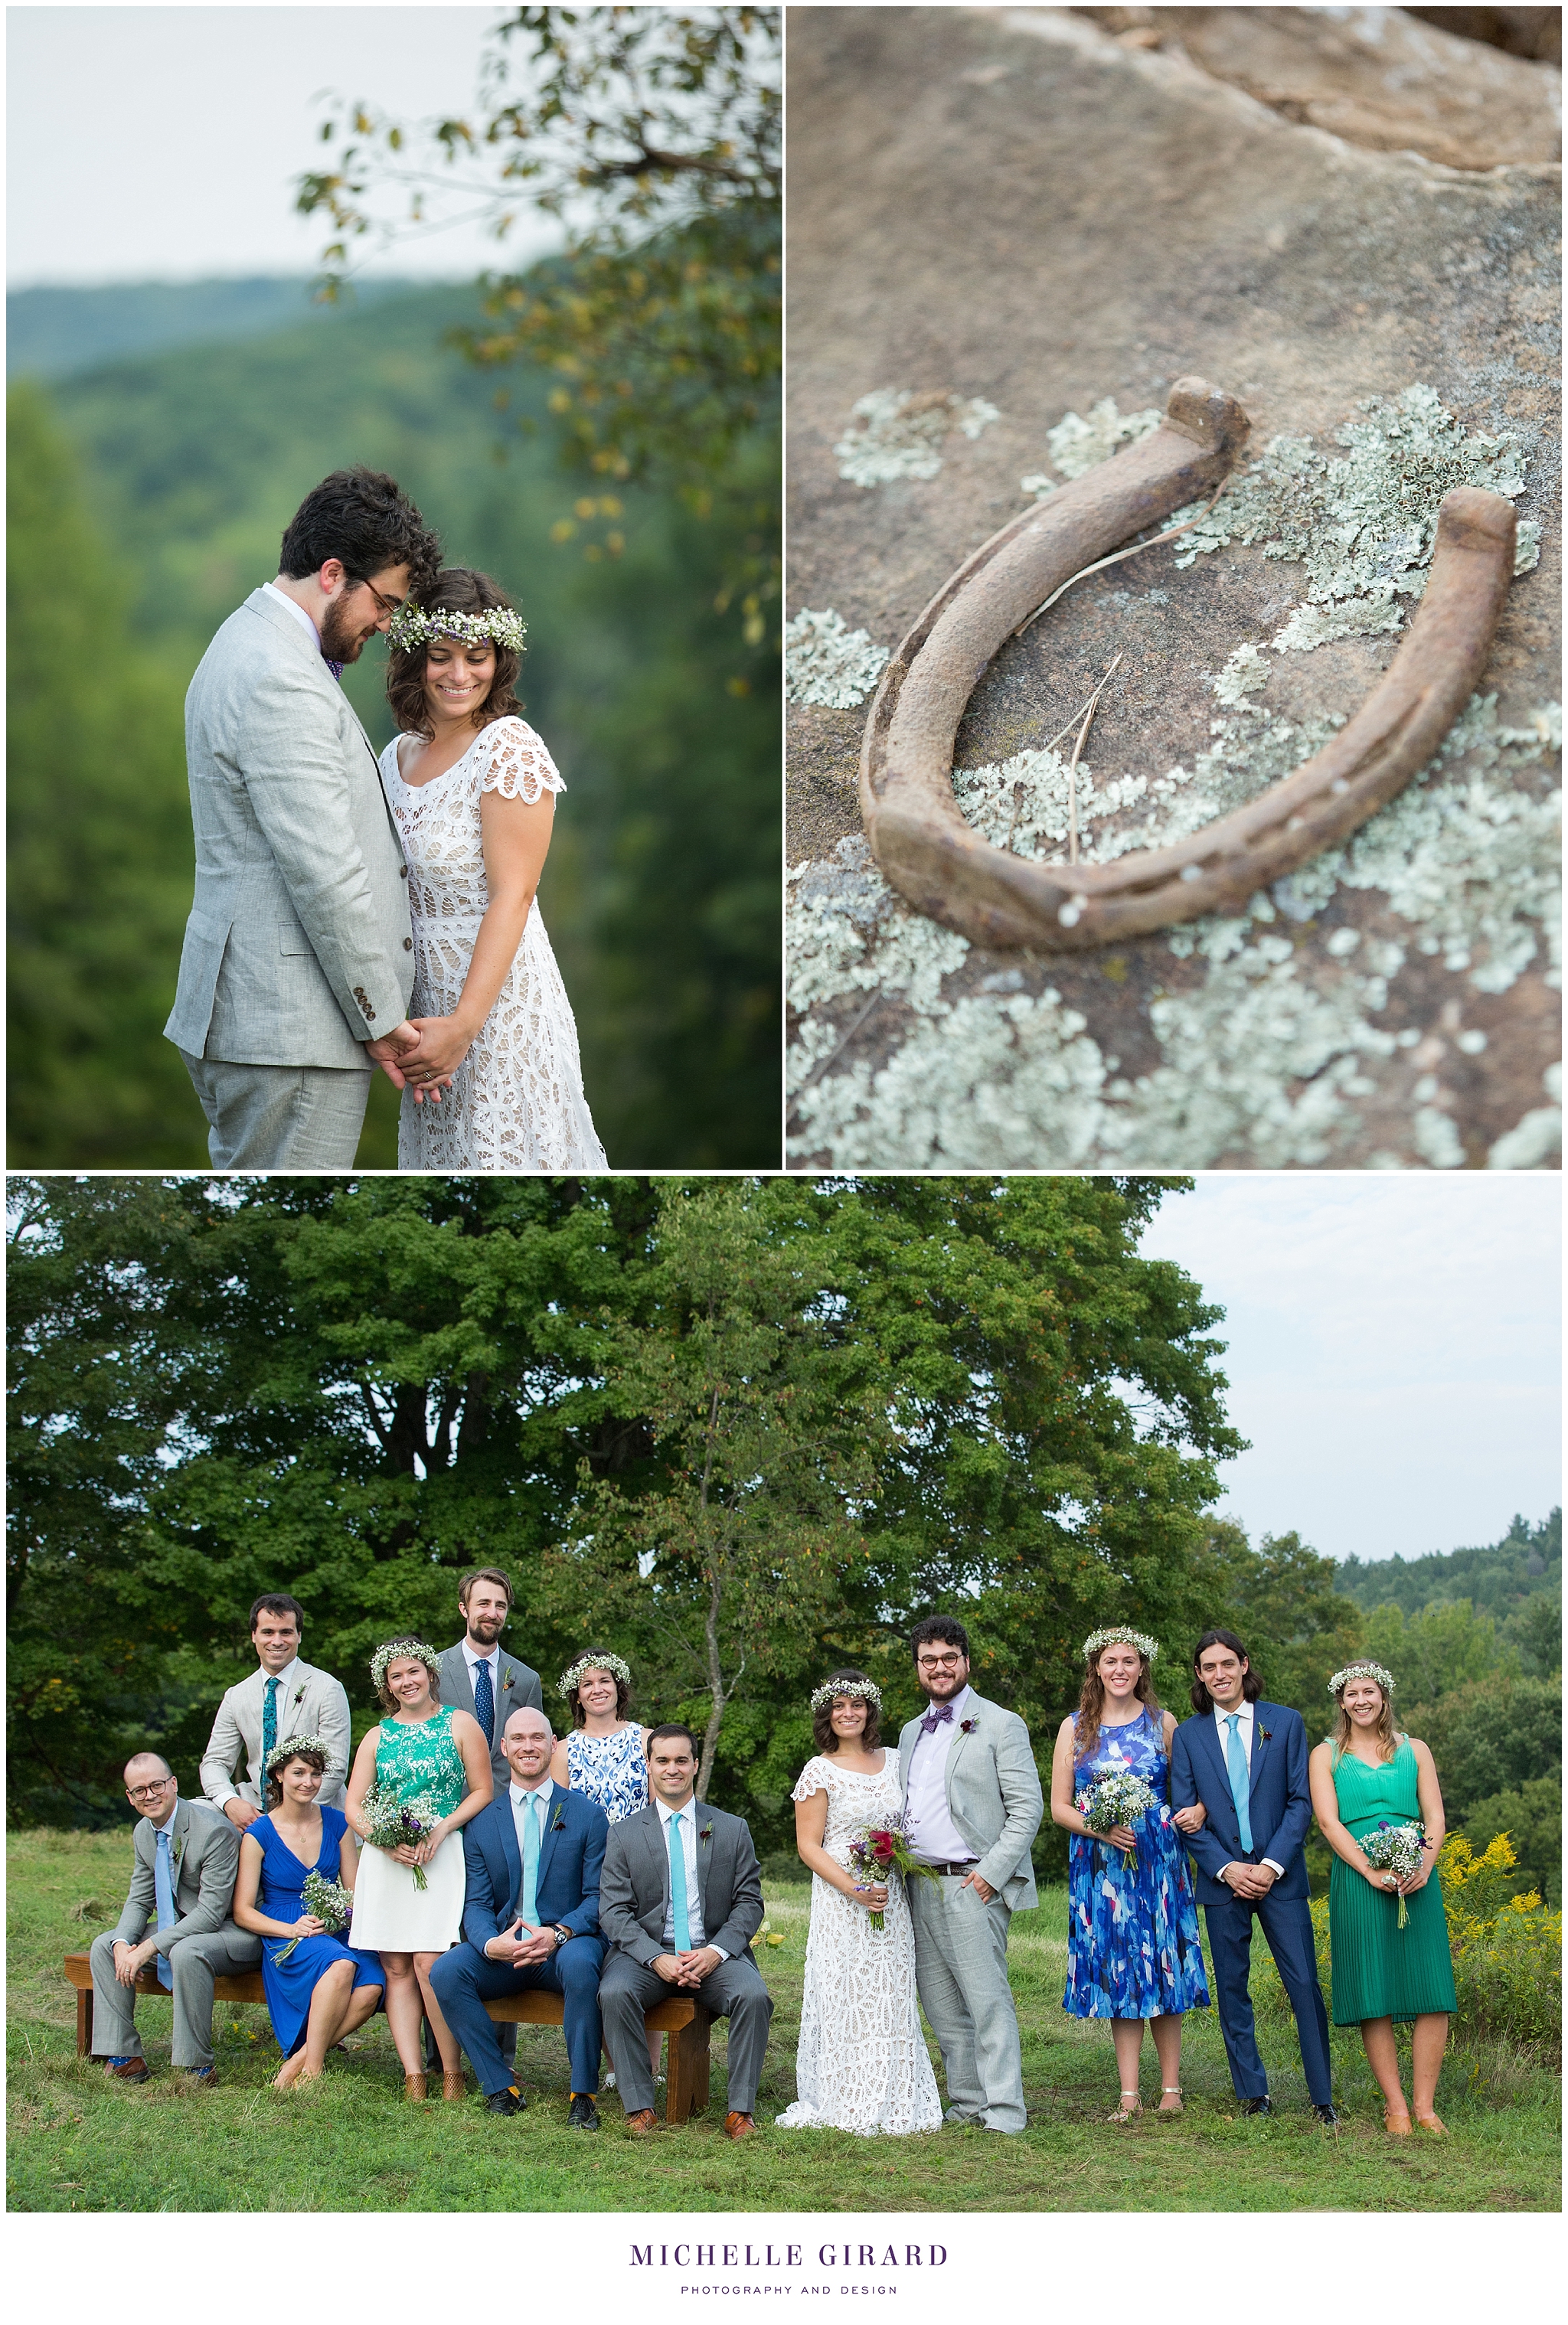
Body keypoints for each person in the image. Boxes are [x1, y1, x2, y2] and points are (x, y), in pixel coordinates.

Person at [165, 466, 450, 1167]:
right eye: (383, 603)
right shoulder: (278, 677)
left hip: (273, 1023)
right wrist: (380, 1016)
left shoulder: (251, 640)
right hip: (288, 1031)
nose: (386, 626)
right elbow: (324, 870)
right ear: (332, 574)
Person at [377, 567, 608, 1168]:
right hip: (423, 1018)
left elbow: (517, 893)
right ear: (414, 659)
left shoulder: (509, 747)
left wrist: (463, 1026)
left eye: (477, 657)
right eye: (441, 656)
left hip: (497, 1010)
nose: (459, 674)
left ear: (498, 659)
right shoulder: (392, 758)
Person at [1170, 1628, 1338, 2124]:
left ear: (1244, 1664)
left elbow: (1300, 1802)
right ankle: (1254, 2093)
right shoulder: (1188, 1735)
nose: (1219, 1673)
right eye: (1209, 1667)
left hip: (1279, 1877)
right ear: (1200, 1675)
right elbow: (1184, 1812)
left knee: (1304, 1981)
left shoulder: (1285, 1723)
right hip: (1224, 1882)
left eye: (1227, 1663)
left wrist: (1268, 1866)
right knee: (1233, 1987)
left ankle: (1322, 2096)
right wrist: (1227, 1867)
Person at [1049, 1628, 1210, 2121]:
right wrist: (1101, 1829)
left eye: (1129, 1661)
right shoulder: (1074, 1728)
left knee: (1163, 1963)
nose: (1119, 1670)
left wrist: (1199, 1810)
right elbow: (1058, 1807)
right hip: (1102, 1868)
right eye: (1110, 1661)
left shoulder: (1165, 1724)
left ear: (1142, 1669)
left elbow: (1196, 1790)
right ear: (1096, 1668)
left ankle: (1171, 2088)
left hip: (1159, 1863)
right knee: (1120, 1971)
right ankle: (1127, 2094)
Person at [776, 1670, 942, 2137]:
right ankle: (842, 2092)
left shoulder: (894, 1761)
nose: (848, 1714)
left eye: (857, 1705)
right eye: (839, 1706)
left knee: (889, 1992)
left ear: (869, 1711)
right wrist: (854, 1888)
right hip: (842, 1902)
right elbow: (809, 1846)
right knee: (845, 1993)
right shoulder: (819, 1769)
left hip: (891, 1898)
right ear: (827, 1713)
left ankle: (894, 2092)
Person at [897, 1615, 1043, 2134]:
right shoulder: (911, 1731)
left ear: (966, 1661)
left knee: (986, 2001)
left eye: (949, 1657)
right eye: (929, 1659)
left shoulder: (1001, 1723)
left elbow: (1027, 1809)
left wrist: (990, 1876)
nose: (940, 1667)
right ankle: (968, 2102)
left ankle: (1005, 2111)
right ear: (918, 1666)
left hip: (972, 1883)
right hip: (919, 1884)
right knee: (940, 2002)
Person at [430, 1706, 609, 2127]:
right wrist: (492, 1944)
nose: (529, 1746)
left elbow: (597, 1896)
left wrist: (559, 1934)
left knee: (584, 1969)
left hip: (565, 1944)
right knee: (446, 1973)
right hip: (505, 1948)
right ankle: (499, 2086)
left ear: (552, 1745)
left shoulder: (586, 1814)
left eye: (538, 1737)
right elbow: (475, 1903)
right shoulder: (481, 1821)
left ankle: (582, 2094)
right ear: (505, 1748)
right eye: (519, 1739)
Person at [597, 1724, 773, 2139]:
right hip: (648, 1954)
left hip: (710, 1952)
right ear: (649, 1767)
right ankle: (639, 2105)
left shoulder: (731, 1828)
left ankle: (740, 2111)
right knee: (613, 1992)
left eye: (681, 1760)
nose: (672, 1769)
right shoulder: (624, 1832)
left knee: (754, 1996)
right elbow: (614, 1911)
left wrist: (716, 1951)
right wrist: (656, 1958)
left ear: (695, 1765)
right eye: (662, 1761)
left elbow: (749, 1902)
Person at [1309, 1660, 1456, 2136]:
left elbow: (1434, 1816)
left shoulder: (1416, 1751)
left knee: (1430, 1985)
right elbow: (1329, 1823)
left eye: (1368, 1692)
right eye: (1351, 1694)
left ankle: (1426, 2106)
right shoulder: (1326, 1755)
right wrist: (1370, 1870)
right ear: (1341, 1702)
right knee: (1375, 1988)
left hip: (1416, 1875)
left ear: (1384, 1696)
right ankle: (1395, 2106)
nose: (1361, 1701)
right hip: (1358, 1878)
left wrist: (1423, 1864)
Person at [344, 1638, 493, 2101]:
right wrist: (383, 1843)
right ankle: (413, 2075)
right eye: (396, 1676)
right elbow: (353, 1804)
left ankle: (451, 2071)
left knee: (432, 1963)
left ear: (430, 1673)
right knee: (395, 1966)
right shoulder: (378, 1735)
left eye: (414, 1672)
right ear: (386, 1685)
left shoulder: (460, 1723)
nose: (407, 1682)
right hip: (387, 1860)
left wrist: (442, 1829)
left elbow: (482, 1790)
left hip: (441, 1854)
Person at [87, 1752, 260, 2086]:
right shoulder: (143, 1832)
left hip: (236, 1930)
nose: (150, 1795)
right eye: (140, 1790)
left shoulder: (213, 1831)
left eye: (157, 1785)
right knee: (104, 1946)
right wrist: (124, 1944)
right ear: (130, 1797)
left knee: (186, 1952)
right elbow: (140, 1899)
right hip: (184, 1926)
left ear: (173, 1784)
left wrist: (148, 1948)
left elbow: (210, 1915)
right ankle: (125, 2059)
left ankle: (197, 2068)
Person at [231, 1736, 384, 2088]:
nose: (308, 1782)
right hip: (286, 1925)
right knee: (342, 1965)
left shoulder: (338, 1823)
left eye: (315, 1774)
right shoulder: (259, 1834)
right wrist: (289, 1930)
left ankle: (300, 2059)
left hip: (335, 1921)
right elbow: (242, 1911)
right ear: (279, 1776)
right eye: (298, 1772)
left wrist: (339, 1916)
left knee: (373, 1986)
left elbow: (353, 1891)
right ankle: (313, 2071)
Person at [548, 1647, 658, 2090]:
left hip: (640, 1862)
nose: (597, 1690)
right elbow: (559, 1820)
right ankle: (617, 2062)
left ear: (619, 1687)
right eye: (587, 1683)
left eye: (605, 1681)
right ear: (577, 1693)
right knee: (606, 1958)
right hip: (590, 1867)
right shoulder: (563, 1748)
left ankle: (650, 2063)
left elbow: (657, 1805)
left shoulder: (645, 1737)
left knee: (646, 1952)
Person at [199, 1594, 351, 1830]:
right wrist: (230, 1803)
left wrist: (286, 1818)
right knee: (191, 1817)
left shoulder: (327, 1688)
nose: (277, 1641)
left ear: (299, 1636)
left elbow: (336, 1767)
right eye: (268, 1632)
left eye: (286, 1632)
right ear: (254, 1636)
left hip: (316, 1813)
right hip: (254, 1809)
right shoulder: (236, 1696)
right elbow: (215, 1762)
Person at [436, 1569, 544, 1791]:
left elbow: (536, 1752)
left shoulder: (527, 1679)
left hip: (505, 1806)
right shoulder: (433, 1673)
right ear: (464, 1609)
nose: (492, 1613)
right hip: (447, 1806)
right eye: (483, 1604)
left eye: (500, 1606)